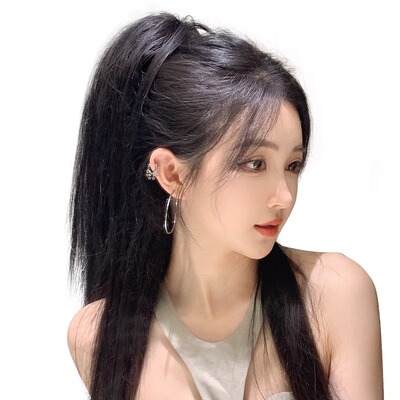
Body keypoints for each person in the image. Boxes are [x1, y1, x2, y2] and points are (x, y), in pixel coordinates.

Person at [67, 12, 383, 400]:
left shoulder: (335, 293)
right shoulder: (102, 335)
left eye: (293, 165)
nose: (284, 197)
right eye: (254, 164)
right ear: (172, 174)